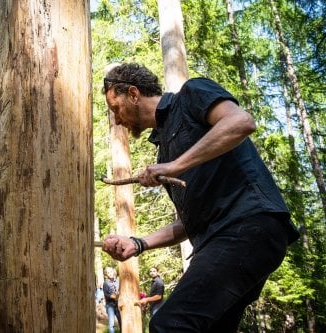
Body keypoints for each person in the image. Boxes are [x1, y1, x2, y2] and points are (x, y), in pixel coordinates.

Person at [101, 63, 300, 332]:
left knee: (170, 325)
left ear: (134, 94)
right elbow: (190, 223)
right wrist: (138, 244)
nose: (117, 119)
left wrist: (175, 166)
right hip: (223, 238)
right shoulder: (165, 152)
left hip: (249, 227)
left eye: (116, 108)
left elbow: (241, 122)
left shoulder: (191, 94)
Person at [102, 266, 121, 333]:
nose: (110, 273)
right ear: (106, 274)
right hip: (110, 305)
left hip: (118, 304)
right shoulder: (105, 283)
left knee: (121, 322)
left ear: (114, 272)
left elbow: (121, 291)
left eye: (111, 272)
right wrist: (113, 296)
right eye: (108, 273)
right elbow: (106, 294)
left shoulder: (119, 281)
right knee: (111, 324)